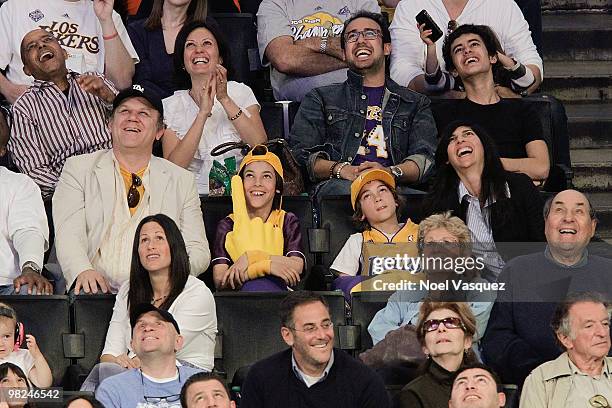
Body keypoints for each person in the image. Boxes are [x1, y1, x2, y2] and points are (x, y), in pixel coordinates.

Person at [53, 84, 210, 295]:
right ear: (110, 124)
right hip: (93, 289)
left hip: (157, 290)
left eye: (143, 113)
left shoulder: (181, 179)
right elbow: (68, 232)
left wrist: (169, 278)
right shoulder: (79, 169)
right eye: (124, 111)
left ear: (159, 131)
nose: (132, 118)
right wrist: (83, 270)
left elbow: (197, 249)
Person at [289, 10, 437, 198]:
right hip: (340, 191)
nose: (360, 40)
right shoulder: (320, 98)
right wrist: (342, 169)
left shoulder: (415, 103)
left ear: (387, 48)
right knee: (344, 192)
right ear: (344, 54)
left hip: (396, 190)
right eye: (352, 36)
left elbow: (425, 160)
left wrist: (389, 173)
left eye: (370, 33)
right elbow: (300, 156)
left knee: (425, 201)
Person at [482, 189, 612, 385]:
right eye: (559, 210)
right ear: (545, 224)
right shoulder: (516, 270)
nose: (568, 218)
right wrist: (543, 372)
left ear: (592, 227)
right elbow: (497, 338)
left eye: (578, 211)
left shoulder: (608, 272)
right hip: (535, 384)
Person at [423, 121, 545, 281]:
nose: (460, 140)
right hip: (476, 291)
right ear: (447, 159)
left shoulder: (519, 186)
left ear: (484, 147)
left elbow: (541, 243)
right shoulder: (439, 203)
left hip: (528, 282)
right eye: (452, 139)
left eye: (468, 134)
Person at [433, 24, 549, 183]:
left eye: (474, 44)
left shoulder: (522, 110)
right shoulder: (446, 114)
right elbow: (448, 169)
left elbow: (541, 167)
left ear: (492, 57)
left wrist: (484, 163)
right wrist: (519, 169)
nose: (467, 50)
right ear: (454, 70)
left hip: (517, 198)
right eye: (458, 49)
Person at [163, 18, 267, 195]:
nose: (199, 50)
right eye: (190, 45)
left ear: (220, 57)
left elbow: (260, 144)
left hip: (243, 192)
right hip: (191, 196)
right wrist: (203, 113)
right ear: (182, 61)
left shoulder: (240, 92)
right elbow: (172, 168)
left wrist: (224, 98)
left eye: (207, 43)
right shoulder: (173, 105)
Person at [9, 29, 116, 200]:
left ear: (65, 53)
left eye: (47, 39)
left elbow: (130, 119)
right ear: (27, 70)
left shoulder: (96, 80)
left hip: (116, 172)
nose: (41, 45)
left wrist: (108, 97)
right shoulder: (23, 108)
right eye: (31, 47)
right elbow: (34, 171)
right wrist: (75, 189)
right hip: (71, 192)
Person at [101, 214, 216, 370]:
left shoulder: (197, 293)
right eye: (144, 240)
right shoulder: (128, 290)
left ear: (174, 246)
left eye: (159, 238)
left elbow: (164, 348)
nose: (151, 246)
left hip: (186, 374)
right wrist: (117, 364)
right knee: (102, 372)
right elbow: (109, 355)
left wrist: (127, 366)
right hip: (132, 370)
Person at [241, 291, 390, 407]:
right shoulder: (260, 378)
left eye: (326, 325)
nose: (322, 335)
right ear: (288, 336)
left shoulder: (365, 382)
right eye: (310, 328)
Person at [368, 212, 494, 348]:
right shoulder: (406, 294)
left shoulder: (480, 289)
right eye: (430, 243)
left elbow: (470, 330)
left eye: (447, 242)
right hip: (408, 365)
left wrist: (408, 335)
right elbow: (378, 329)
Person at [389, 0, 542, 95]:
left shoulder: (503, 5)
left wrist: (503, 95)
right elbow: (403, 70)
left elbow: (531, 66)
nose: (468, 51)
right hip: (433, 109)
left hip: (500, 103)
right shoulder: (409, 5)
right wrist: (446, 96)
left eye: (474, 45)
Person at [0, 0, 139, 104]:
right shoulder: (15, 7)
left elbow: (122, 83)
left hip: (89, 113)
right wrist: (8, 90)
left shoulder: (107, 14)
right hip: (33, 108)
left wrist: (106, 20)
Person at [211, 145, 305, 291]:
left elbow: (296, 266)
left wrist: (251, 257)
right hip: (240, 300)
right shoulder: (228, 224)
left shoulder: (286, 220)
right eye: (250, 175)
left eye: (267, 176)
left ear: (277, 186)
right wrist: (263, 267)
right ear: (240, 184)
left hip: (280, 298)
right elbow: (220, 280)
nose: (257, 183)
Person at [256, 0, 381, 102]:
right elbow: (285, 60)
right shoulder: (275, 4)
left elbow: (376, 50)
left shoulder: (361, 1)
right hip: (301, 107)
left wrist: (306, 45)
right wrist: (327, 44)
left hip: (362, 96)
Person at [330, 169, 419, 295]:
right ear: (361, 214)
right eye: (367, 196)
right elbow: (342, 284)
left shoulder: (423, 233)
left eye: (382, 190)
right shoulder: (358, 241)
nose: (377, 198)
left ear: (396, 200)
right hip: (373, 309)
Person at [95, 303, 202, 407]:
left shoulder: (203, 383)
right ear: (132, 345)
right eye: (141, 325)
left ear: (177, 342)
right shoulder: (112, 389)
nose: (147, 328)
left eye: (158, 323)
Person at [521, 292, 612, 408]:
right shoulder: (541, 380)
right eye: (589, 326)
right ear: (565, 338)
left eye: (605, 324)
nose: (602, 333)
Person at [397, 300, 479, 408]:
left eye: (451, 322)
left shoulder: (486, 384)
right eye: (432, 325)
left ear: (467, 341)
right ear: (425, 347)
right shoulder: (413, 394)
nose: (441, 329)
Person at [127, 0, 207, 99]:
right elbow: (141, 81)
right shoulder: (136, 31)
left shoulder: (206, 31)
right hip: (150, 107)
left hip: (196, 107)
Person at [0, 166, 52, 295]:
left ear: (2, 151)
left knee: (33, 290)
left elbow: (28, 230)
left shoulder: (18, 183)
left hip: (7, 284)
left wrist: (30, 268)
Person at [0, 304, 52, 388]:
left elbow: (44, 384)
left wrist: (37, 356)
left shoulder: (23, 356)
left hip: (24, 400)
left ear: (17, 335)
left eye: (6, 336)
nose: (1, 344)